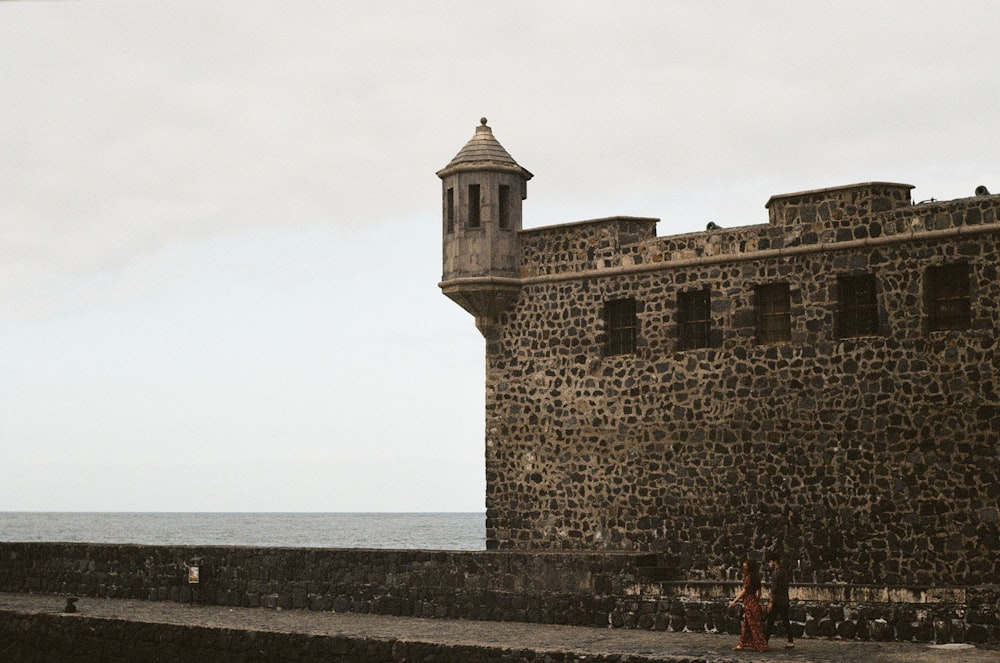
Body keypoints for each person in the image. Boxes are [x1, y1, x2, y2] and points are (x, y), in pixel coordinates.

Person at [728, 558, 768, 651]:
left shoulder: (748, 578)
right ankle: (742, 644)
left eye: (745, 566)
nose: (744, 567)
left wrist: (734, 601)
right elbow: (759, 592)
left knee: (753, 625)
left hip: (749, 602)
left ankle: (760, 645)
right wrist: (756, 600)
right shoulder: (756, 577)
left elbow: (744, 591)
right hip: (753, 601)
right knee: (749, 624)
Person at [763, 553, 794, 648]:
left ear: (774, 561)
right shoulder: (784, 572)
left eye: (770, 561)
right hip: (784, 599)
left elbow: (774, 589)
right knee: (785, 621)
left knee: (770, 622)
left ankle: (765, 641)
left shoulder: (775, 573)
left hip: (777, 601)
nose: (769, 564)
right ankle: (790, 640)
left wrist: (771, 602)